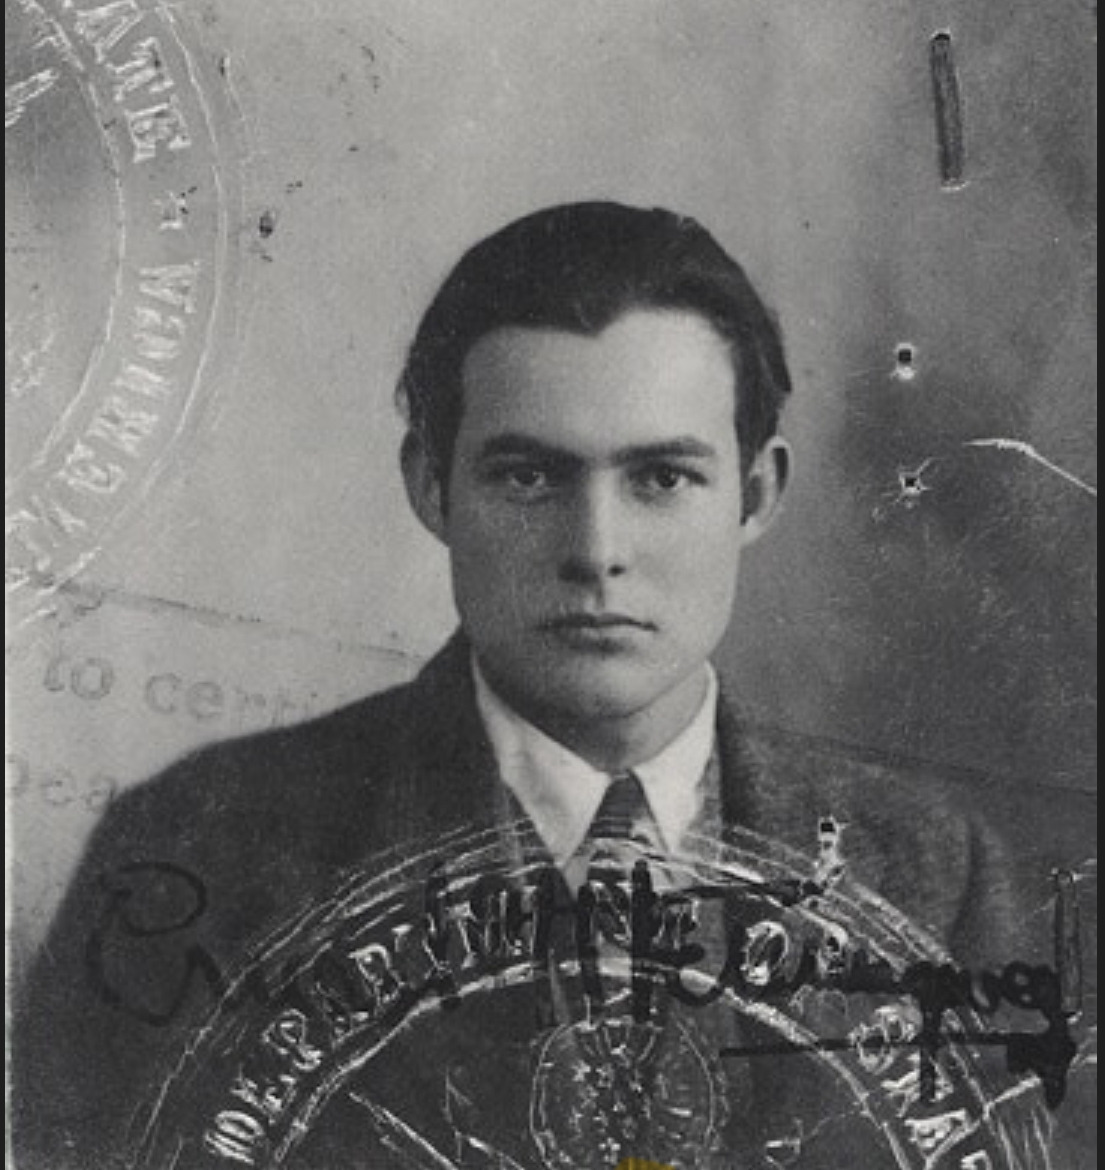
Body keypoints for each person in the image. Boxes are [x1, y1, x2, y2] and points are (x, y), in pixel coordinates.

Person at [12, 202, 1038, 1169]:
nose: (595, 550)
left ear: (756, 492)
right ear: (431, 487)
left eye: (662, 478)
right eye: (527, 476)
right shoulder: (195, 853)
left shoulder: (932, 876)